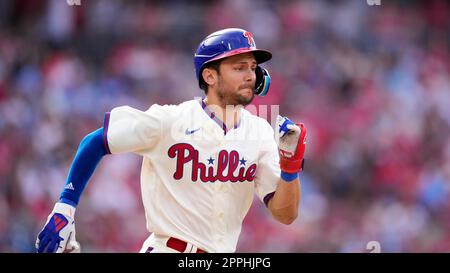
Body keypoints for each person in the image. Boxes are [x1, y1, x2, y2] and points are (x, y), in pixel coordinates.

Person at [35, 28, 307, 253]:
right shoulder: (170, 120)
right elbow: (95, 142)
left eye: (253, 67)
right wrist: (65, 207)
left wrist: (291, 165)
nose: (251, 75)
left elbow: (285, 214)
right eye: (239, 67)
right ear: (209, 76)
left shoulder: (259, 133)